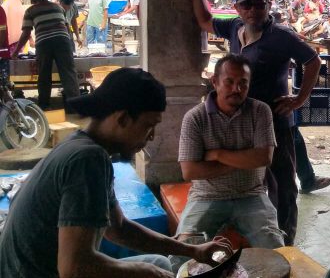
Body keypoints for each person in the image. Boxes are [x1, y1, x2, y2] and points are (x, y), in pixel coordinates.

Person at [0, 68, 233, 278]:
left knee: (160, 263)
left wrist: (192, 250)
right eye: (149, 126)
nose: (151, 136)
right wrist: (143, 273)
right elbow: (73, 269)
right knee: (154, 268)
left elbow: (118, 228)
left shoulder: (81, 145)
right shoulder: (88, 159)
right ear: (122, 119)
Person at [188, 0, 322, 245]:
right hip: (243, 121)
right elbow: (204, 20)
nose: (253, 10)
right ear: (237, 8)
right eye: (246, 5)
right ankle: (258, 236)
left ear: (269, 4)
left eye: (259, 4)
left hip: (275, 120)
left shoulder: (281, 36)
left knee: (283, 184)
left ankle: (285, 243)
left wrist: (299, 99)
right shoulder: (235, 27)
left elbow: (313, 61)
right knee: (254, 182)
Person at [176, 55, 284, 247]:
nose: (237, 89)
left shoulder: (260, 111)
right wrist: (244, 161)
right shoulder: (195, 118)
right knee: (185, 249)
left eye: (243, 83)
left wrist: (218, 155)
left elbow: (263, 158)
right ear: (215, 82)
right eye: (229, 82)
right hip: (206, 196)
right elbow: (190, 171)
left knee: (274, 247)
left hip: (252, 195)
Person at [12, 0, 80, 112]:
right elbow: (65, 27)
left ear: (33, 0)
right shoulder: (58, 7)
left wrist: (16, 51)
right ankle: (75, 106)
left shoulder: (30, 10)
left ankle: (44, 105)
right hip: (63, 41)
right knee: (69, 73)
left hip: (44, 44)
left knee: (44, 74)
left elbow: (26, 33)